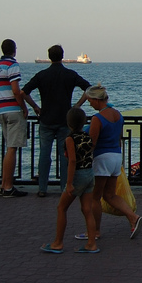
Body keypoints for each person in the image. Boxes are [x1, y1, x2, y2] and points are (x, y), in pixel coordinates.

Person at [20, 44, 91, 198]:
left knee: (44, 155)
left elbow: (23, 92)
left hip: (46, 119)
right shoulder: (70, 74)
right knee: (65, 156)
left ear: (49, 57)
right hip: (65, 120)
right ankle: (65, 188)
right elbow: (89, 89)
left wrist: (35, 107)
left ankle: (42, 188)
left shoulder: (42, 75)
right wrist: (77, 106)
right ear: (62, 56)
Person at [87, 84, 142, 239]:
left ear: (96, 100)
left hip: (102, 158)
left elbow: (92, 142)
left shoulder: (97, 118)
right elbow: (118, 138)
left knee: (95, 197)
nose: (90, 104)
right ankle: (133, 217)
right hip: (116, 156)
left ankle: (95, 231)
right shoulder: (118, 114)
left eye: (90, 101)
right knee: (110, 195)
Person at [40, 107, 98, 254]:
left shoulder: (70, 139)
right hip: (89, 173)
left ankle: (58, 243)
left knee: (61, 208)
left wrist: (69, 183)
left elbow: (72, 161)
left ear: (69, 123)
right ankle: (92, 243)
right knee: (87, 210)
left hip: (78, 175)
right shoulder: (87, 136)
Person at [0, 38, 29, 197]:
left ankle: (3, 185)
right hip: (13, 110)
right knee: (12, 149)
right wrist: (24, 107)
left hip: (0, 109)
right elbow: (15, 90)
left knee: (9, 148)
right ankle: (8, 187)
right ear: (14, 50)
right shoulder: (12, 65)